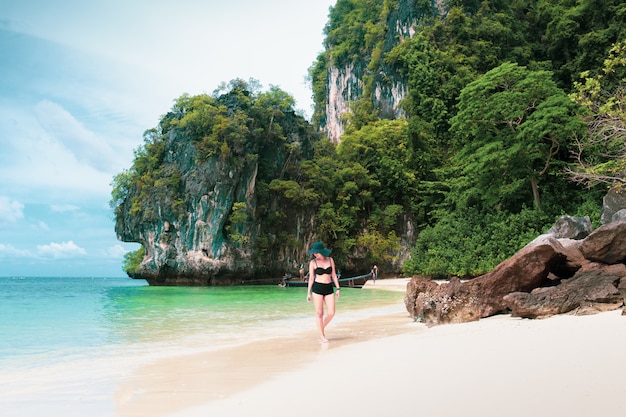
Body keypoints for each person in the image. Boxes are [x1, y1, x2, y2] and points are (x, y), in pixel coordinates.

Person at [306, 241, 340, 343]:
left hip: (329, 287)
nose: (315, 255)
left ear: (322, 252)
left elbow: (334, 275)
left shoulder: (330, 260)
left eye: (317, 253)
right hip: (317, 288)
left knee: (331, 312)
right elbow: (311, 278)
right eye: (314, 253)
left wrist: (338, 288)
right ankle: (322, 335)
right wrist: (308, 293)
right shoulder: (313, 262)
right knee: (319, 313)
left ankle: (320, 328)